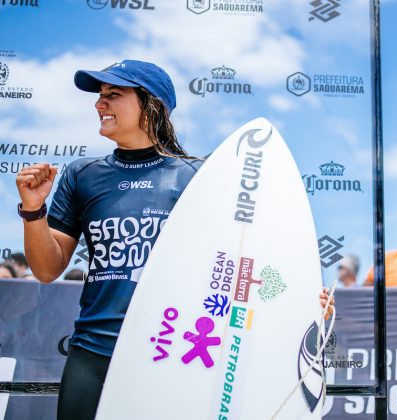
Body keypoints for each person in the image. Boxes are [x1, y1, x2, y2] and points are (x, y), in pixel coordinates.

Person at [15, 60, 334, 420]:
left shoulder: (199, 177)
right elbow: (46, 269)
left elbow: (248, 260)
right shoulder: (81, 175)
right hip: (93, 350)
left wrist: (299, 306)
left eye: (113, 94)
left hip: (170, 355)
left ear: (152, 105)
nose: (99, 104)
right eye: (100, 96)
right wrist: (33, 209)